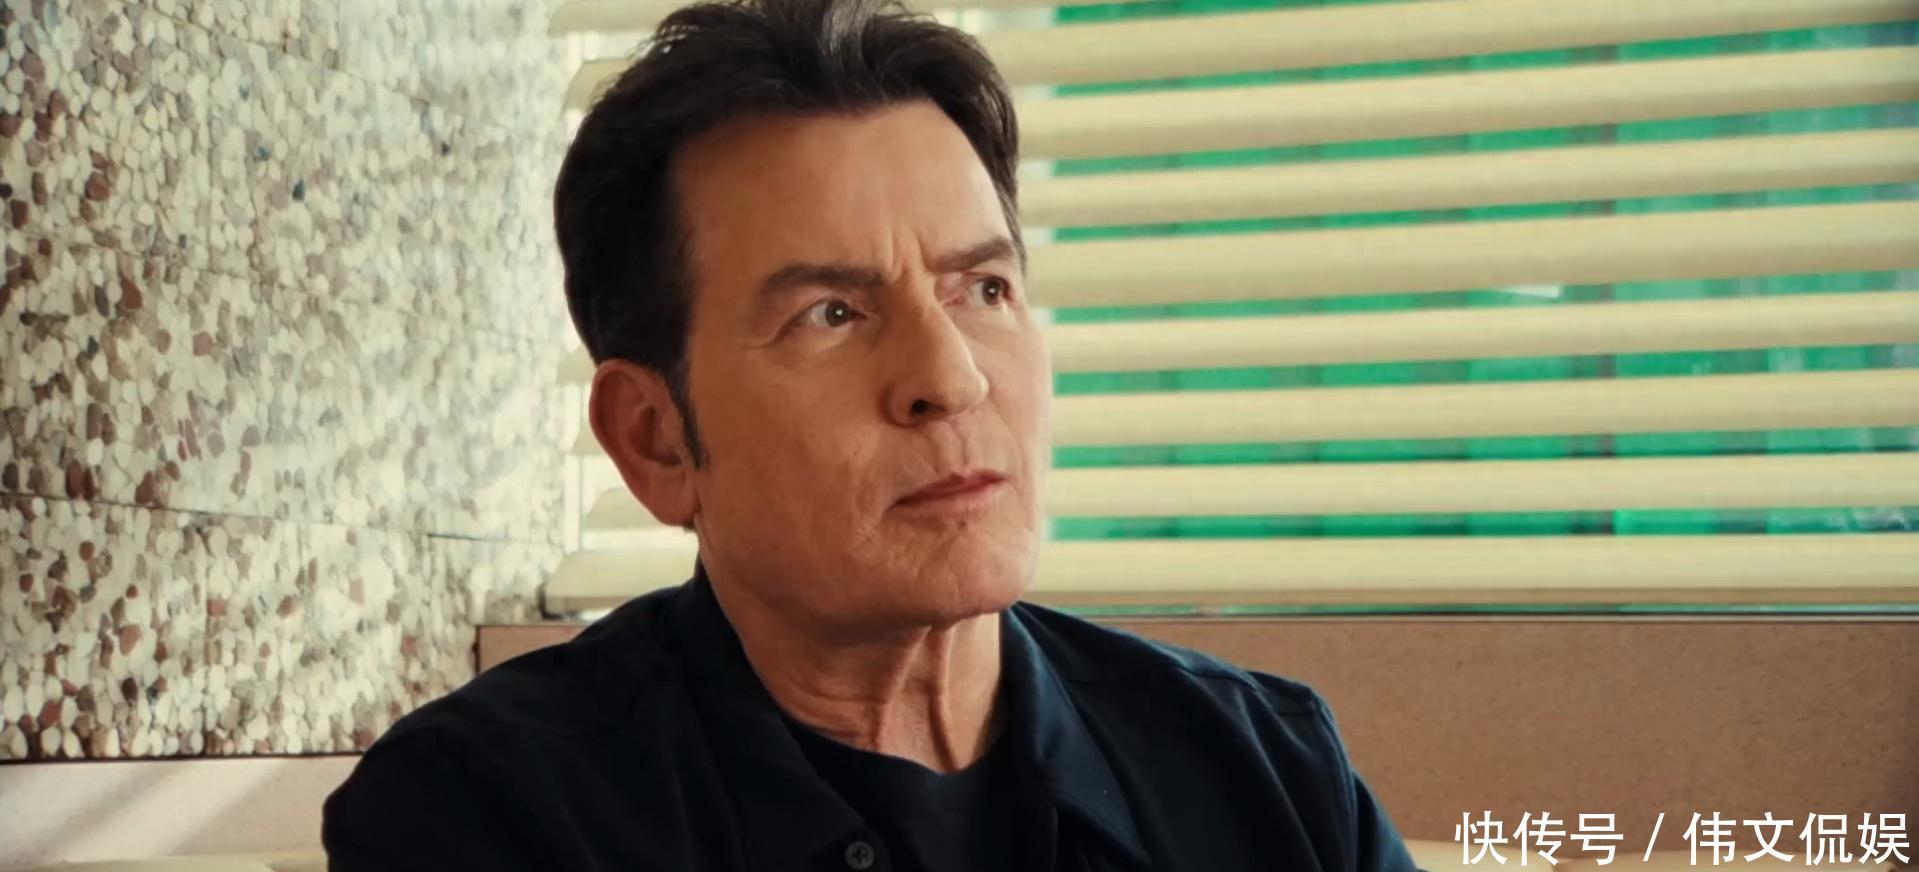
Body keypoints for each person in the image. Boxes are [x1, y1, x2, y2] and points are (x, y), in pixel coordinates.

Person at [322, 0, 1417, 868]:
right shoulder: (485, 811)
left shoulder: (1265, 771)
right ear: (655, 440)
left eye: (983, 288)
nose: (950, 377)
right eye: (831, 314)